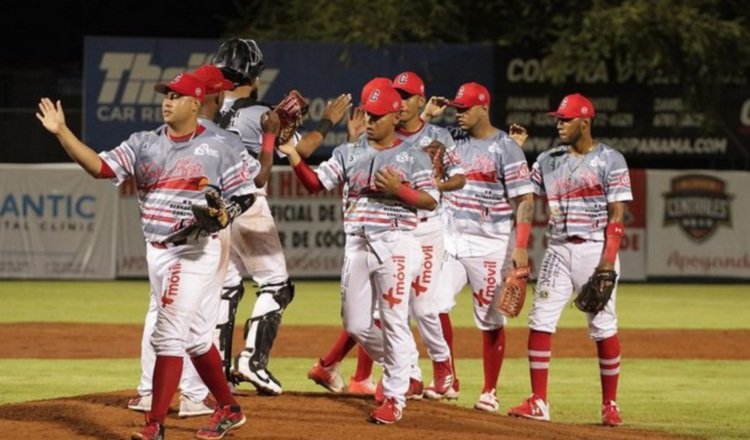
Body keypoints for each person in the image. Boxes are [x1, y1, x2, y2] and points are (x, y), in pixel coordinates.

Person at [36, 71, 253, 440]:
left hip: (195, 249)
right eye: (166, 94)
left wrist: (227, 212)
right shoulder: (144, 143)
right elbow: (100, 168)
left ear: (195, 104)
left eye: (176, 95)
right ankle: (230, 409)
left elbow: (245, 193)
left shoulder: (220, 144)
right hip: (158, 250)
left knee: (167, 336)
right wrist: (62, 132)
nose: (167, 100)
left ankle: (154, 426)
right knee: (198, 338)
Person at [280, 83, 438, 424]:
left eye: (378, 116)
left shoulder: (414, 157)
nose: (370, 120)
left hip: (396, 243)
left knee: (394, 320)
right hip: (357, 244)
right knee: (354, 323)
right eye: (367, 112)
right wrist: (293, 155)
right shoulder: (348, 153)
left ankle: (395, 397)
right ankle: (406, 365)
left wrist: (401, 190)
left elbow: (431, 201)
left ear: (396, 116)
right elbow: (314, 184)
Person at [126, 63, 244, 419]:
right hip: (188, 238)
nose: (223, 95)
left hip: (176, 240)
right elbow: (250, 188)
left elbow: (240, 192)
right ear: (211, 96)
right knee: (194, 327)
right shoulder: (222, 139)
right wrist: (270, 142)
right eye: (219, 90)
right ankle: (206, 399)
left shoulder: (190, 138)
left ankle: (153, 402)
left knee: (167, 319)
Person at [508, 93, 632, 426]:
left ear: (585, 122)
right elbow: (524, 197)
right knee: (539, 321)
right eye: (558, 119)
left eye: (565, 119)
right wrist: (520, 245)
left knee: (603, 326)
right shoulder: (548, 160)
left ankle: (610, 404)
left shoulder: (610, 160)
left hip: (595, 249)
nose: (559, 124)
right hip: (558, 249)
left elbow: (617, 212)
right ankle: (539, 401)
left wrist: (608, 261)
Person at [432, 82, 535, 412]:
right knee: (430, 306)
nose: (458, 114)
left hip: (490, 243)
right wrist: (426, 115)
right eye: (456, 109)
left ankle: (490, 391)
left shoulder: (506, 147)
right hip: (450, 239)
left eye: (464, 109)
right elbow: (413, 143)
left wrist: (520, 246)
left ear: (483, 109)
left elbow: (525, 200)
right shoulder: (451, 139)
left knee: (490, 319)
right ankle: (448, 378)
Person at [209, 38, 294, 396]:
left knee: (226, 288)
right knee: (276, 285)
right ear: (255, 76)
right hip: (248, 203)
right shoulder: (259, 113)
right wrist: (295, 129)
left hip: (214, 208)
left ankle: (217, 369)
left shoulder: (204, 110)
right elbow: (297, 150)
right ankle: (252, 361)